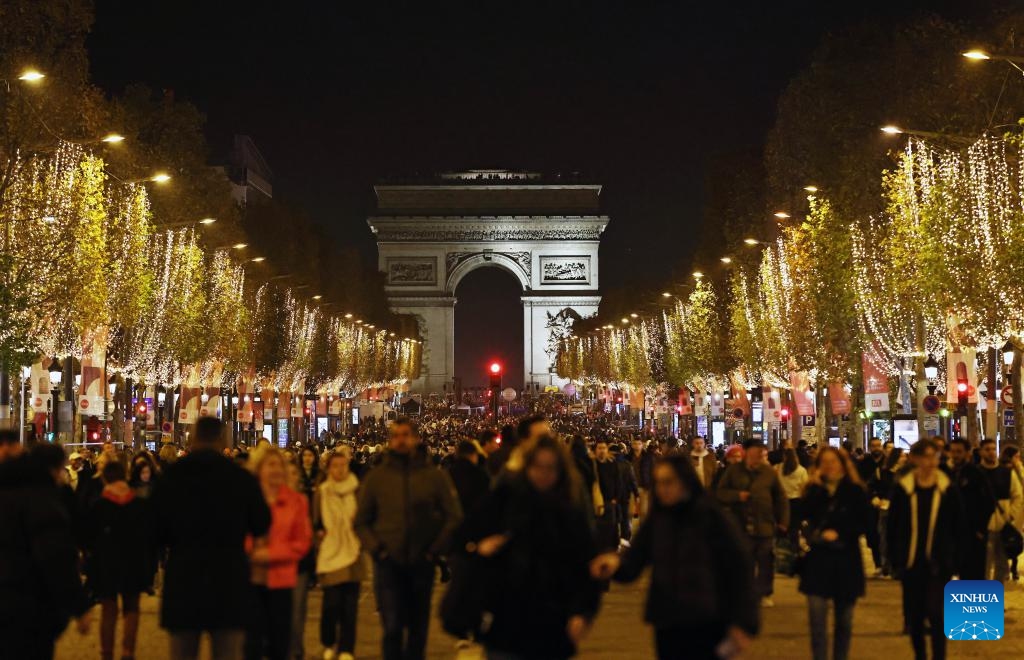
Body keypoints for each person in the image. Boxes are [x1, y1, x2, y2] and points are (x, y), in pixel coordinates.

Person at [591, 454, 757, 659]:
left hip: (707, 618)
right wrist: (614, 564)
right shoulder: (658, 519)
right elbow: (635, 559)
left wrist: (744, 622)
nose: (662, 489)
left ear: (685, 481)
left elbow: (740, 568)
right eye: (658, 483)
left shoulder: (712, 517)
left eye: (668, 482)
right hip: (668, 619)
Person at [464, 436, 601, 658]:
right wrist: (480, 549)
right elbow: (465, 534)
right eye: (538, 467)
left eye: (550, 468)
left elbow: (586, 563)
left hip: (552, 622)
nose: (543, 474)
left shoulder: (569, 512)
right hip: (506, 620)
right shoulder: (505, 500)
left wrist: (583, 611)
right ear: (526, 467)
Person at [152, 416, 271, 660]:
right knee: (227, 652)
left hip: (184, 577)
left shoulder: (172, 477)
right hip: (228, 578)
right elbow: (262, 523)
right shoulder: (240, 478)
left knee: (183, 652)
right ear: (222, 439)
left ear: (193, 438)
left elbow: (154, 529)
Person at [354, 417, 463, 660]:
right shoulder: (377, 478)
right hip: (388, 562)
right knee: (391, 627)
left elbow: (454, 516)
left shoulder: (433, 477)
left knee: (418, 629)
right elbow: (361, 521)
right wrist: (377, 549)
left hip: (422, 562)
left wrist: (435, 550)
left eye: (405, 435)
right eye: (396, 435)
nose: (400, 440)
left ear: (415, 438)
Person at [0, 432, 92, 658]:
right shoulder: (41, 499)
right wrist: (78, 604)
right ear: (54, 469)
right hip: (27, 606)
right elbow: (55, 555)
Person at [887, 439, 963, 660]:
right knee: (915, 617)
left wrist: (955, 558)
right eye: (925, 457)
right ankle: (920, 655)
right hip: (911, 562)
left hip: (939, 563)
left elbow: (959, 526)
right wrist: (895, 558)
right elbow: (893, 526)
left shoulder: (947, 488)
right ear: (915, 459)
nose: (929, 462)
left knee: (938, 615)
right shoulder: (904, 489)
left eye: (934, 457)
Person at [798, 447, 869, 660]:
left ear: (842, 464)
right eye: (824, 462)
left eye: (833, 461)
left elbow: (865, 522)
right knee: (817, 620)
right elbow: (801, 518)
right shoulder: (813, 491)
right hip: (818, 561)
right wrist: (813, 488)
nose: (829, 466)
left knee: (844, 622)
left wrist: (840, 532)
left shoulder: (855, 491)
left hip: (846, 560)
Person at [83, 459, 157, 660]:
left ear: (105, 479)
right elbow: (151, 534)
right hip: (134, 561)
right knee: (132, 607)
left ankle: (107, 653)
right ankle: (128, 651)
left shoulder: (99, 506)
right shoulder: (140, 504)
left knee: (108, 609)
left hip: (106, 563)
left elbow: (87, 537)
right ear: (125, 476)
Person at [243, 446, 312, 660]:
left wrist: (271, 554)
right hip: (250, 579)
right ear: (259, 469)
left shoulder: (296, 501)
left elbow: (301, 542)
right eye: (270, 464)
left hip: (281, 580)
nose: (276, 470)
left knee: (279, 642)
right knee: (251, 643)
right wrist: (251, 551)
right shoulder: (246, 500)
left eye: (279, 465)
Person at [716, 438, 789, 607]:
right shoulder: (733, 471)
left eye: (764, 454)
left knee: (765, 561)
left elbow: (781, 498)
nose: (762, 458)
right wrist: (737, 496)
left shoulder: (769, 473)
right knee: (744, 561)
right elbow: (720, 493)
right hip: (740, 524)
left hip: (764, 523)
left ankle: (765, 592)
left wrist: (783, 521)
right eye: (759, 454)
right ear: (748, 453)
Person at [315, 447, 365, 660]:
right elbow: (315, 520)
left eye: (342, 465)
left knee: (350, 607)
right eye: (334, 466)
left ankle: (346, 648)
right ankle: (328, 641)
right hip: (330, 552)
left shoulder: (357, 489)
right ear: (328, 468)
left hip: (353, 552)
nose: (339, 470)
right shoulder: (322, 492)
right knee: (331, 604)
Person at [978, 438, 1022, 582]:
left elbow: (1017, 496)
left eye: (993, 449)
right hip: (982, 528)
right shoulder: (975, 473)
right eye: (987, 449)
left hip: (1002, 526)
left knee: (1002, 565)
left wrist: (1010, 516)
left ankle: (995, 598)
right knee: (983, 565)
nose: (991, 452)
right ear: (981, 452)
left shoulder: (1007, 473)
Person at [948, 438, 992, 580]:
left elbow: (988, 502)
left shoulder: (975, 473)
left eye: (959, 452)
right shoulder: (948, 473)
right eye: (953, 451)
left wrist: (980, 530)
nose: (955, 455)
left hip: (973, 534)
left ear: (967, 453)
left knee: (974, 574)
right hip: (954, 534)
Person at [1000, 445, 1024, 581]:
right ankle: (1005, 568)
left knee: (1016, 540)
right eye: (1016, 456)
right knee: (1005, 541)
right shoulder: (1004, 470)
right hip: (1007, 510)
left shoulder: (1020, 469)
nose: (1018, 459)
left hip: (1019, 510)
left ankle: (1013, 567)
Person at [630, 437, 655, 518]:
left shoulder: (648, 458)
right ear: (632, 445)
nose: (637, 446)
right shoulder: (628, 458)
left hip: (644, 487)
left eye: (639, 444)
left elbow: (652, 472)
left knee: (644, 512)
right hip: (630, 488)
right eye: (635, 444)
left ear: (642, 445)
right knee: (630, 512)